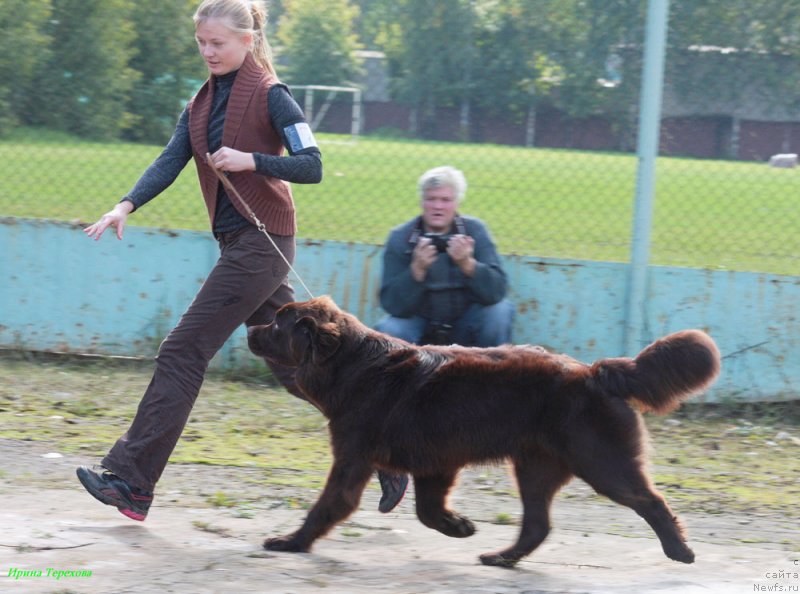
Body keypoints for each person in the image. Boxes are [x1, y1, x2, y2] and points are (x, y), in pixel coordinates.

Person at [76, 0, 405, 522]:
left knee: (183, 350)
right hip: (240, 246)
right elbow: (170, 158)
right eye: (202, 43)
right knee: (287, 364)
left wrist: (252, 160)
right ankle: (389, 450)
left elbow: (312, 166)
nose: (208, 52)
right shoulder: (201, 103)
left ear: (247, 40)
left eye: (218, 43)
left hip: (262, 244)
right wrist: (124, 205)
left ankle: (133, 482)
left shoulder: (274, 95)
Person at [376, 166, 514, 347]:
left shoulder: (474, 231)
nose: (438, 207)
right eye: (431, 199)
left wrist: (468, 264)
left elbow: (497, 292)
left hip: (466, 323)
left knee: (499, 312)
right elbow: (391, 305)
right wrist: (416, 271)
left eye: (445, 200)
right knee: (389, 328)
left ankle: (495, 373)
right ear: (422, 202)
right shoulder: (402, 237)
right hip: (420, 324)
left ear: (457, 203)